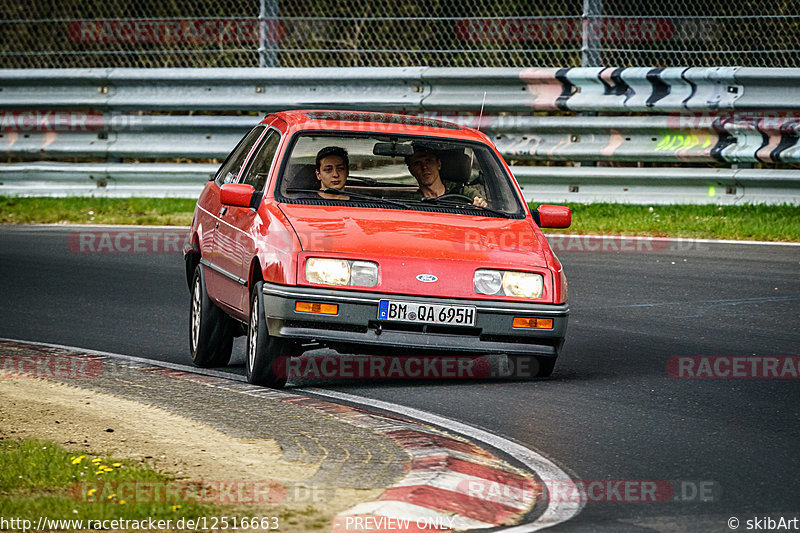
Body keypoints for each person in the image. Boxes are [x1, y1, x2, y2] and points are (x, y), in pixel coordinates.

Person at [406, 146, 487, 207]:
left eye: (428, 161)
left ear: (439, 164)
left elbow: (486, 209)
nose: (424, 167)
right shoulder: (410, 203)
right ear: (411, 170)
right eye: (417, 163)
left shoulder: (466, 194)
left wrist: (479, 206)